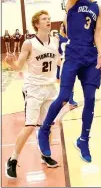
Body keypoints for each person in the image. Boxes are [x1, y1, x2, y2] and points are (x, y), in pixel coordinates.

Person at [37, 0, 101, 163]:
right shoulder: (72, 0)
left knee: (91, 99)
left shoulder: (98, 7)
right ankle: (44, 130)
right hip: (73, 54)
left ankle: (83, 139)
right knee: (64, 97)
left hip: (90, 56)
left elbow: (98, 31)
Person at [5, 10, 60, 179]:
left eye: (49, 19)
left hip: (50, 88)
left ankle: (45, 154)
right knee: (30, 126)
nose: (48, 21)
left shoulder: (55, 41)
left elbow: (57, 61)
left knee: (47, 126)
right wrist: (11, 63)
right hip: (34, 89)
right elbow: (19, 66)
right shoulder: (29, 43)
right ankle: (12, 159)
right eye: (44, 19)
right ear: (37, 24)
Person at [56, 22, 78, 108]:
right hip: (62, 60)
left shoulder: (71, 37)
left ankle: (71, 99)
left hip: (71, 60)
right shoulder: (58, 37)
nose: (63, 28)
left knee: (71, 80)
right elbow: (55, 50)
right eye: (62, 26)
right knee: (63, 81)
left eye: (64, 26)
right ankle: (62, 98)